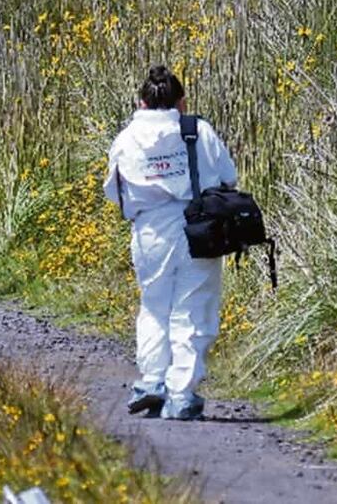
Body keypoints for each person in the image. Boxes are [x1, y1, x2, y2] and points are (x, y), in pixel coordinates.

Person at [103, 65, 238, 420]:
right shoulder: (197, 131)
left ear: (141, 103)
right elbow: (229, 176)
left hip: (149, 230)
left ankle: (152, 380)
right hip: (198, 226)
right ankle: (181, 392)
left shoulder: (127, 138)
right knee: (192, 308)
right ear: (181, 102)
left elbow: (114, 192)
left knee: (154, 305)